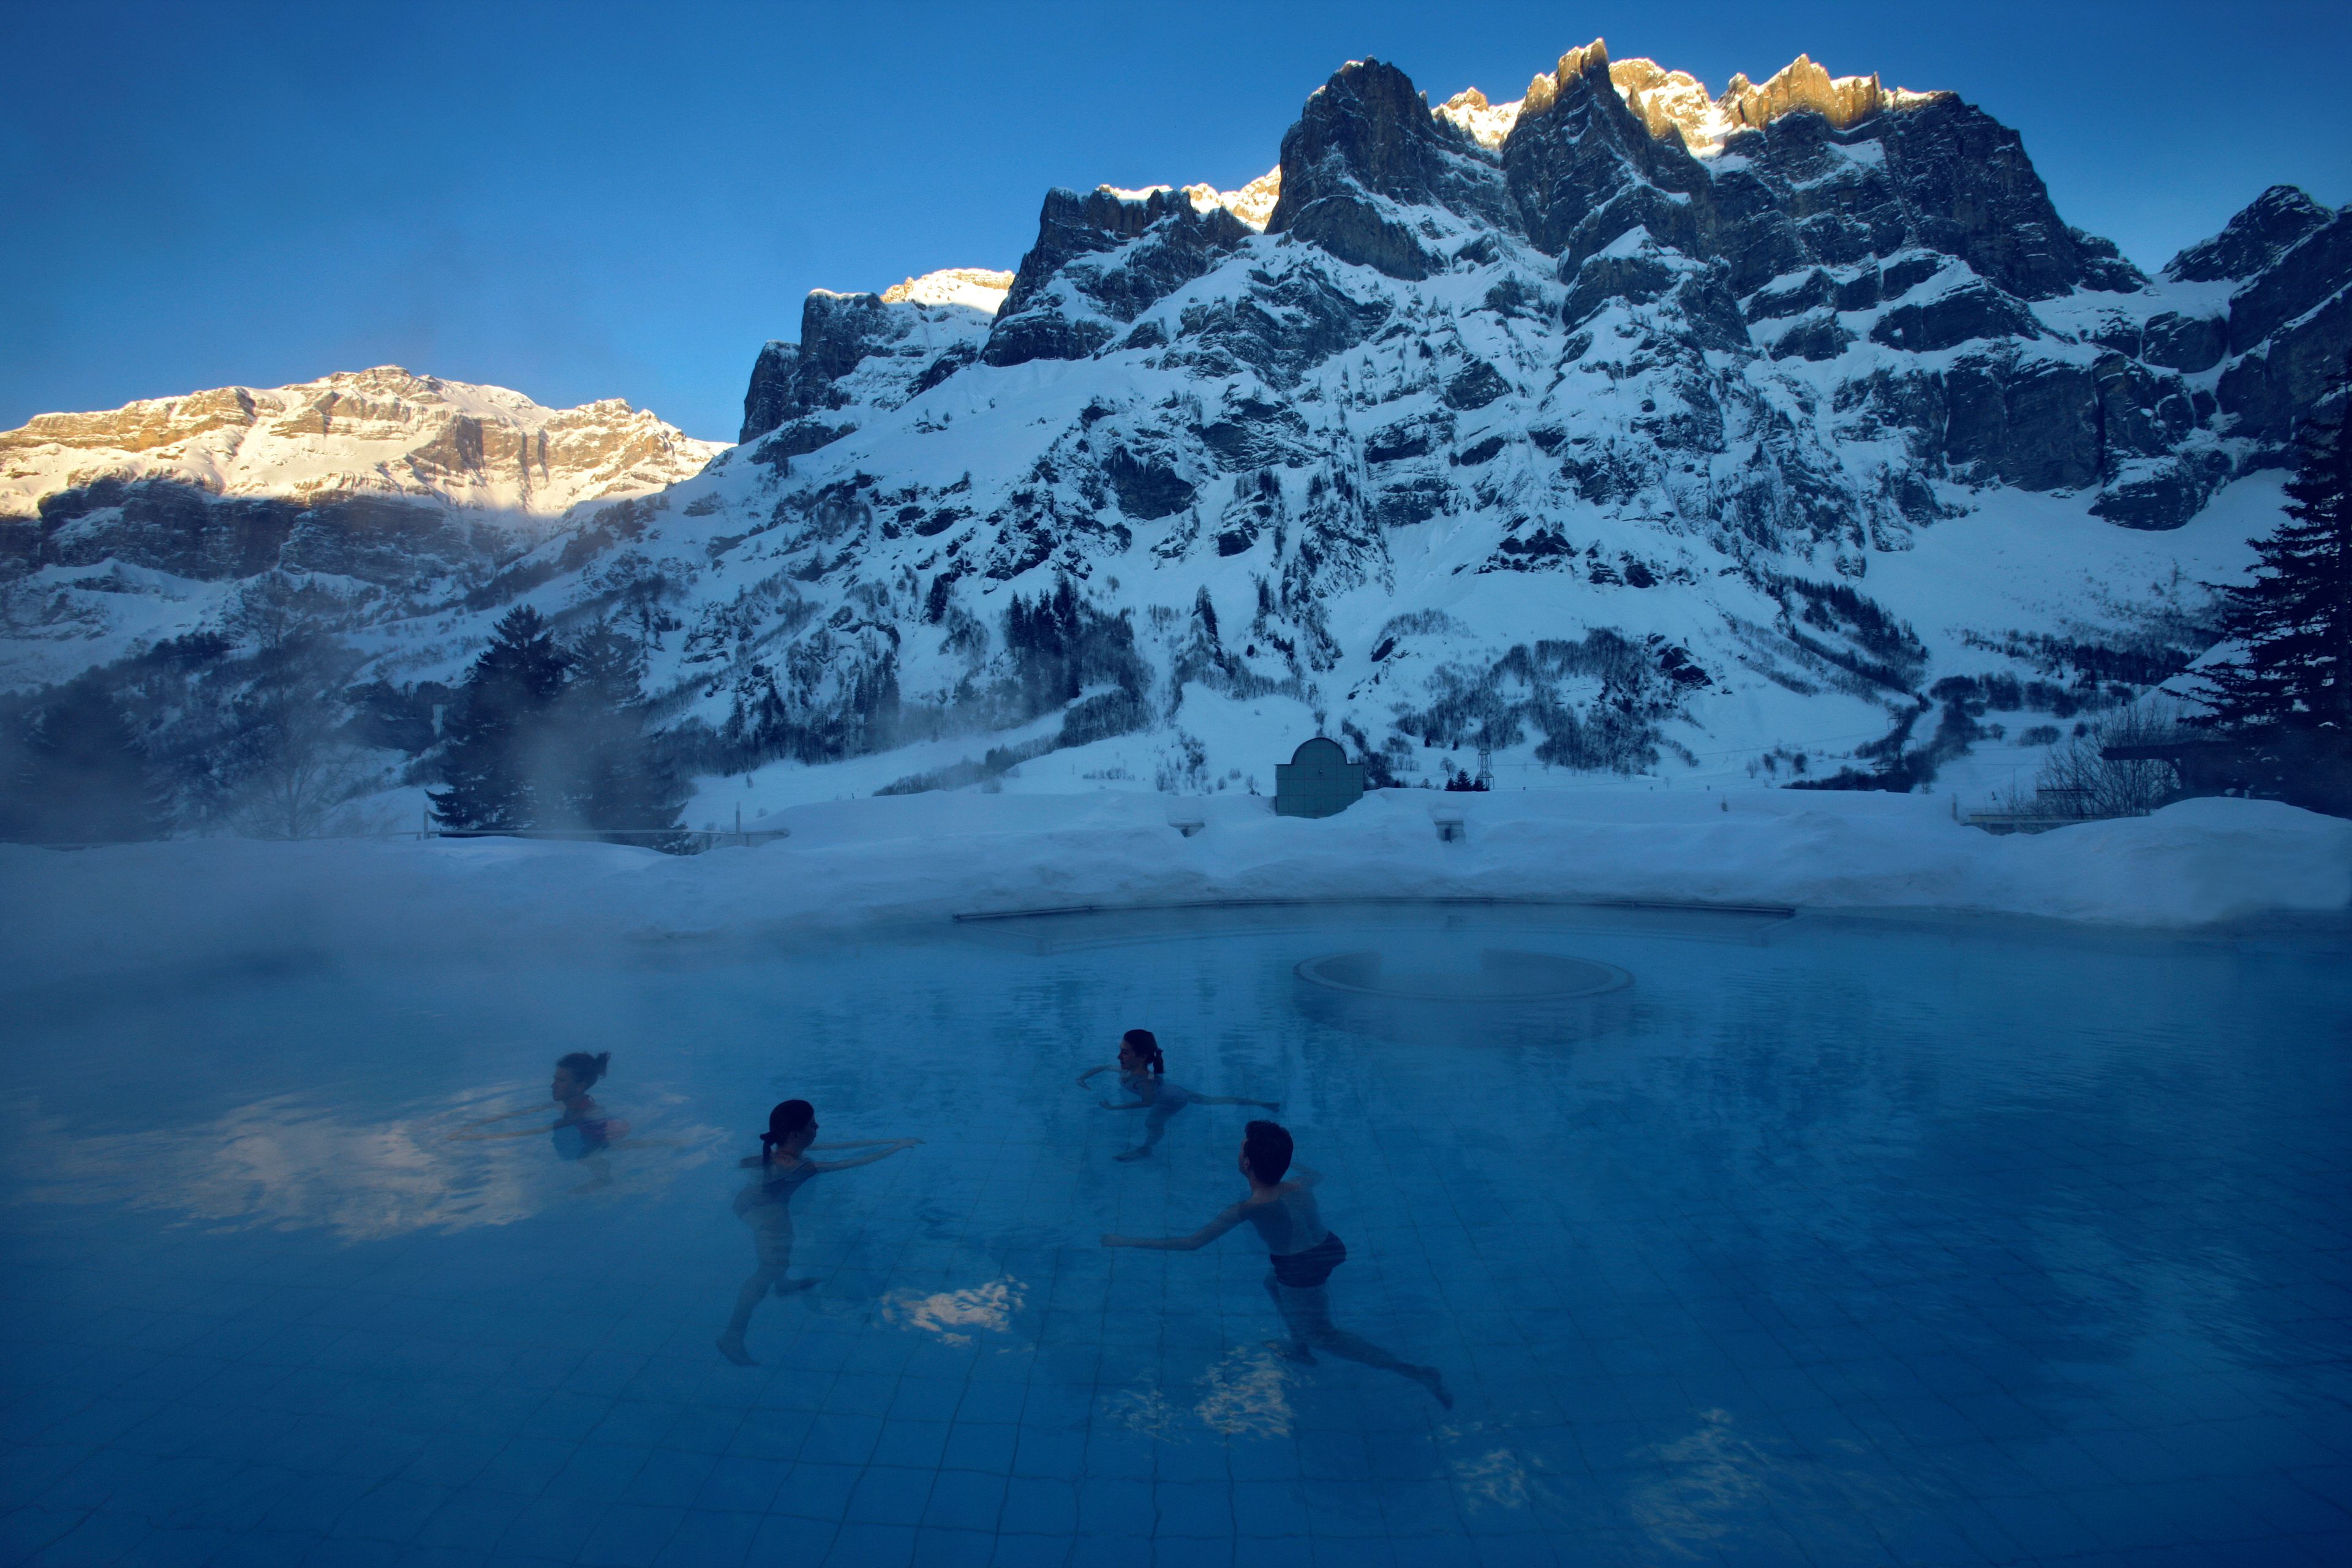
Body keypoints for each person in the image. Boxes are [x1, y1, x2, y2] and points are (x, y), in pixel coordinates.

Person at [1102, 1120, 1450, 1406]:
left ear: (1247, 1164)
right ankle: (1298, 1348)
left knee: (1324, 1335)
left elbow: (1192, 1243)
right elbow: (1317, 1174)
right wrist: (1284, 1158)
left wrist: (1127, 1241)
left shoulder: (1251, 1207)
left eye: (1241, 1150)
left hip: (1300, 1266)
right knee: (1272, 1284)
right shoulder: (1299, 1185)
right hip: (1327, 1247)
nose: (1238, 1153)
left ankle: (1412, 1371)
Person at [715, 1099, 919, 1366]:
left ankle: (783, 1283)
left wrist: (894, 1140)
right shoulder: (801, 1166)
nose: (818, 1127)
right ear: (796, 1134)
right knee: (765, 1272)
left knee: (780, 1259)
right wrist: (898, 1148)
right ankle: (732, 1337)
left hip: (750, 1205)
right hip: (769, 1217)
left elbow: (837, 1147)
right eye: (813, 1124)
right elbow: (853, 1162)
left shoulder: (776, 1150)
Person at [448, 1051, 657, 1188]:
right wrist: (473, 1125)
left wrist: (475, 1137)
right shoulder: (562, 1104)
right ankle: (665, 1142)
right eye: (554, 1079)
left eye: (561, 1080)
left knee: (588, 1157)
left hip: (599, 1131)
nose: (553, 1085)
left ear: (580, 1086)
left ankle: (603, 1179)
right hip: (590, 1130)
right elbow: (521, 1113)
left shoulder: (581, 1113)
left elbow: (537, 1130)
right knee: (610, 1149)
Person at [1079, 1028, 1280, 1162]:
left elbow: (1148, 1102)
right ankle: (1263, 1104)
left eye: (1125, 1052)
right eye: (1121, 1050)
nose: (1119, 1056)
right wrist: (1083, 1078)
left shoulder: (1144, 1081)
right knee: (1211, 1101)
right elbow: (1105, 1067)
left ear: (1141, 1057)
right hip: (1173, 1091)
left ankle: (1146, 1149)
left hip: (1171, 1100)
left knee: (1153, 1124)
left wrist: (1114, 1108)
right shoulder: (1130, 1071)